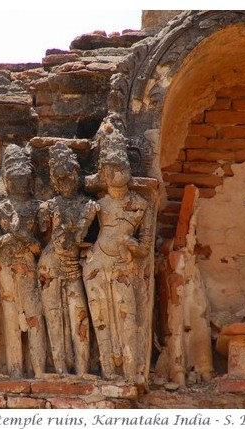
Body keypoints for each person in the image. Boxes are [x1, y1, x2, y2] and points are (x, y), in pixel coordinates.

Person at [83, 140, 151, 380]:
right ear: (102, 174)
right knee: (102, 318)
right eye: (109, 169)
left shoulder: (141, 205)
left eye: (121, 167)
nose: (116, 174)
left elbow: (145, 248)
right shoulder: (98, 206)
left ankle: (131, 371)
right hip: (97, 265)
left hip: (124, 265)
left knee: (127, 316)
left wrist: (132, 245)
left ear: (130, 169)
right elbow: (79, 238)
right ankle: (109, 371)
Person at [38, 143, 97, 375]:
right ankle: (61, 370)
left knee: (79, 316)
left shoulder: (88, 204)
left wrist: (85, 219)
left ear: (77, 173)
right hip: (50, 266)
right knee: (54, 318)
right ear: (53, 179)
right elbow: (47, 232)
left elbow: (82, 237)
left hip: (73, 267)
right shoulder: (50, 206)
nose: (65, 181)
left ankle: (82, 370)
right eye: (59, 177)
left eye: (69, 174)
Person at [0, 144, 47, 378]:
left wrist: (25, 238)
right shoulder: (0, 209)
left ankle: (40, 371)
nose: (19, 181)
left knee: (35, 315)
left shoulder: (37, 207)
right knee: (10, 316)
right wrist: (6, 237)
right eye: (13, 176)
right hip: (4, 266)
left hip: (29, 266)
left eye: (23, 176)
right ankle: (14, 370)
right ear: (5, 179)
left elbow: (42, 247)